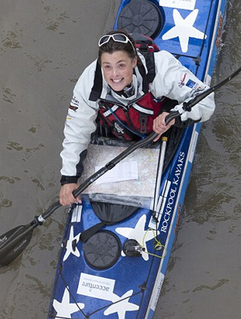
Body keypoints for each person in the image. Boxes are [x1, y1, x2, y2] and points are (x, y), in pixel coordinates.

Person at [59, 30, 215, 206]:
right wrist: (69, 178)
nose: (114, 75)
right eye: (107, 67)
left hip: (160, 127)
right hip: (122, 129)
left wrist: (174, 116)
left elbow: (206, 99)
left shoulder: (161, 68)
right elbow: (76, 130)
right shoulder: (89, 83)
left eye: (121, 65)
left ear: (134, 61)